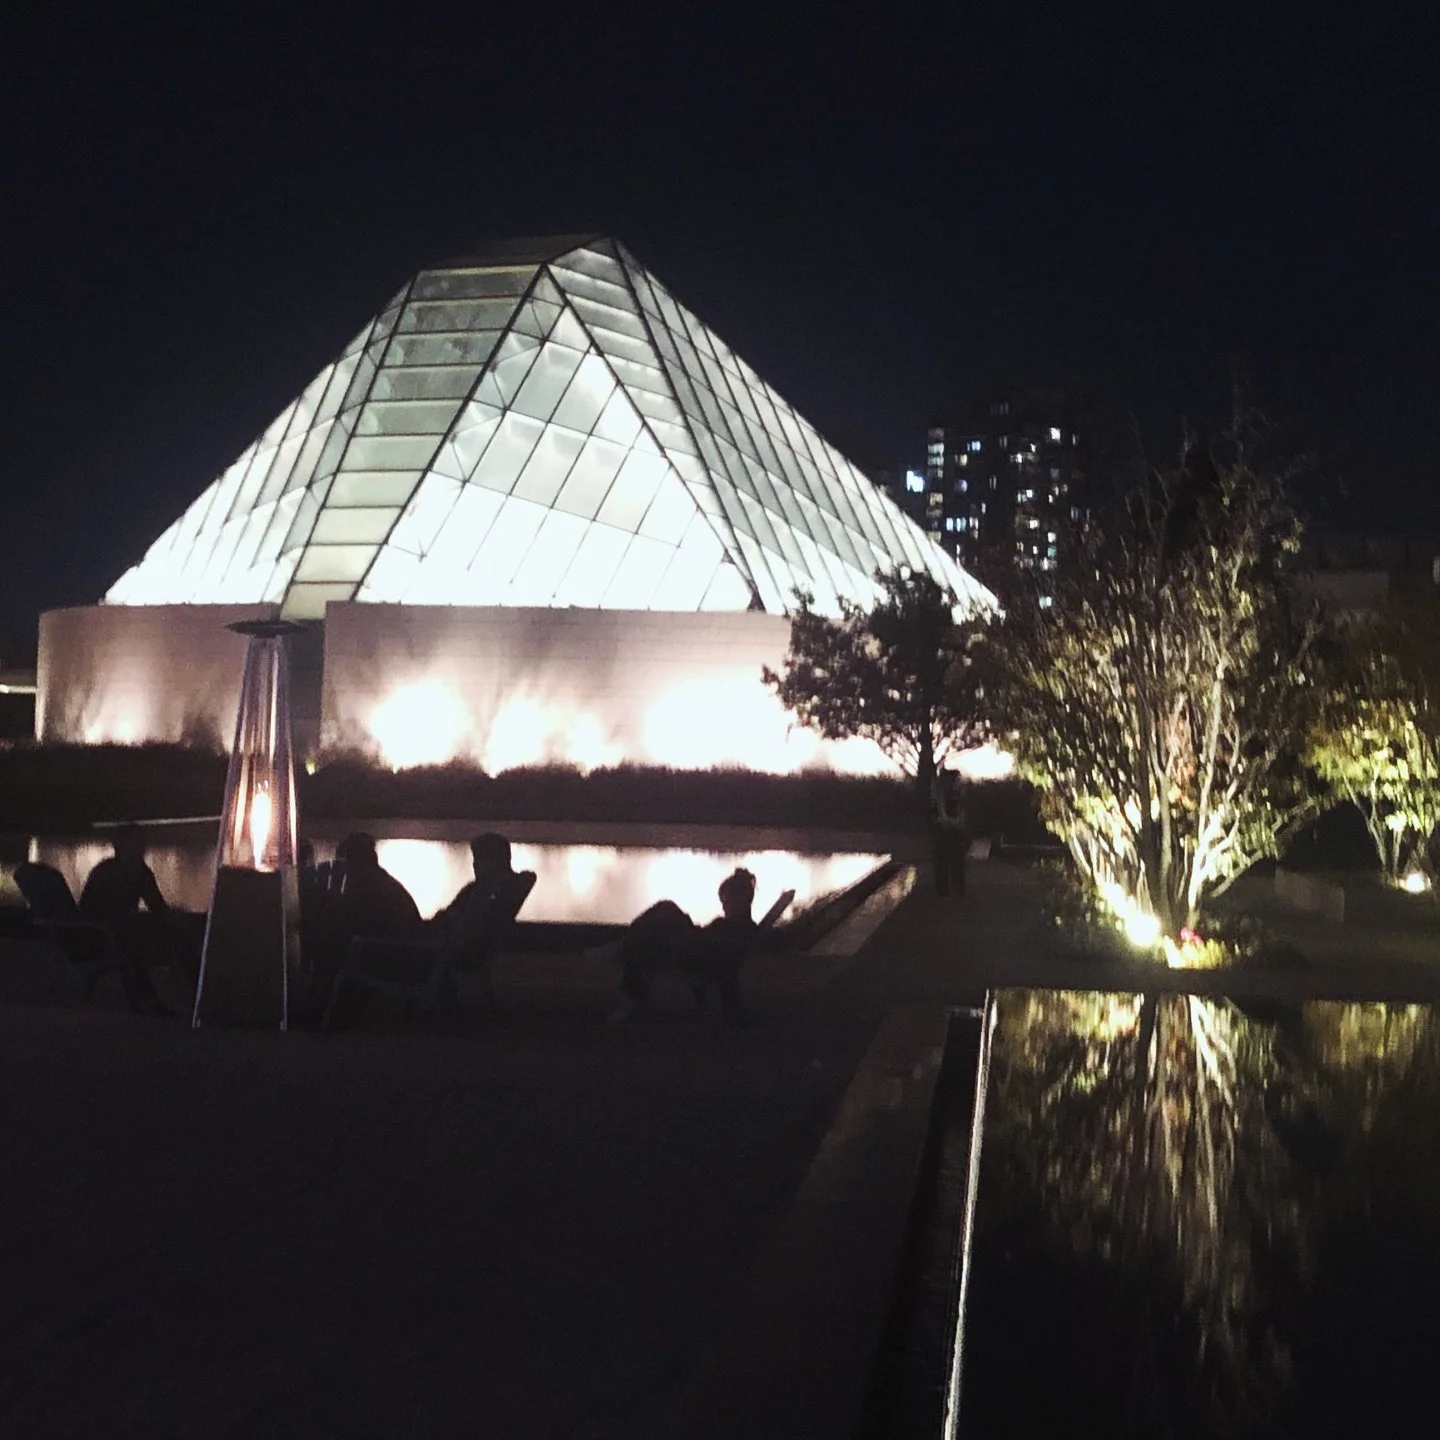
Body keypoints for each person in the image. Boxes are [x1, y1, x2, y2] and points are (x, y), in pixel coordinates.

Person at [609, 867, 781, 1025]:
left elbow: (715, 947)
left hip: (693, 953)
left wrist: (692, 934)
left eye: (725, 901)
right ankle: (622, 954)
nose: (723, 906)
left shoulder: (739, 928)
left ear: (738, 900)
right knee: (656, 926)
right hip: (695, 948)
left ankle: (619, 954)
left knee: (665, 910)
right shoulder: (743, 928)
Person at [78, 825, 181, 1016]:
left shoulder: (139, 872)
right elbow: (90, 911)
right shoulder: (107, 872)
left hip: (118, 931)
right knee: (130, 941)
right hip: (97, 935)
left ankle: (151, 997)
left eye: (141, 842)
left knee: (139, 935)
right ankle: (146, 999)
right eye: (136, 843)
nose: (142, 847)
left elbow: (157, 907)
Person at [432, 832, 534, 966]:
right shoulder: (473, 890)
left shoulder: (501, 889)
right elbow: (449, 916)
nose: (475, 865)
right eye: (476, 860)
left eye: (479, 860)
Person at [929, 768, 969, 898]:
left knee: (955, 863)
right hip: (947, 833)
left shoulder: (956, 797)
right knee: (945, 862)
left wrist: (948, 821)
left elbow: (958, 818)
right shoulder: (944, 797)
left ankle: (955, 889)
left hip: (953, 833)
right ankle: (946, 890)